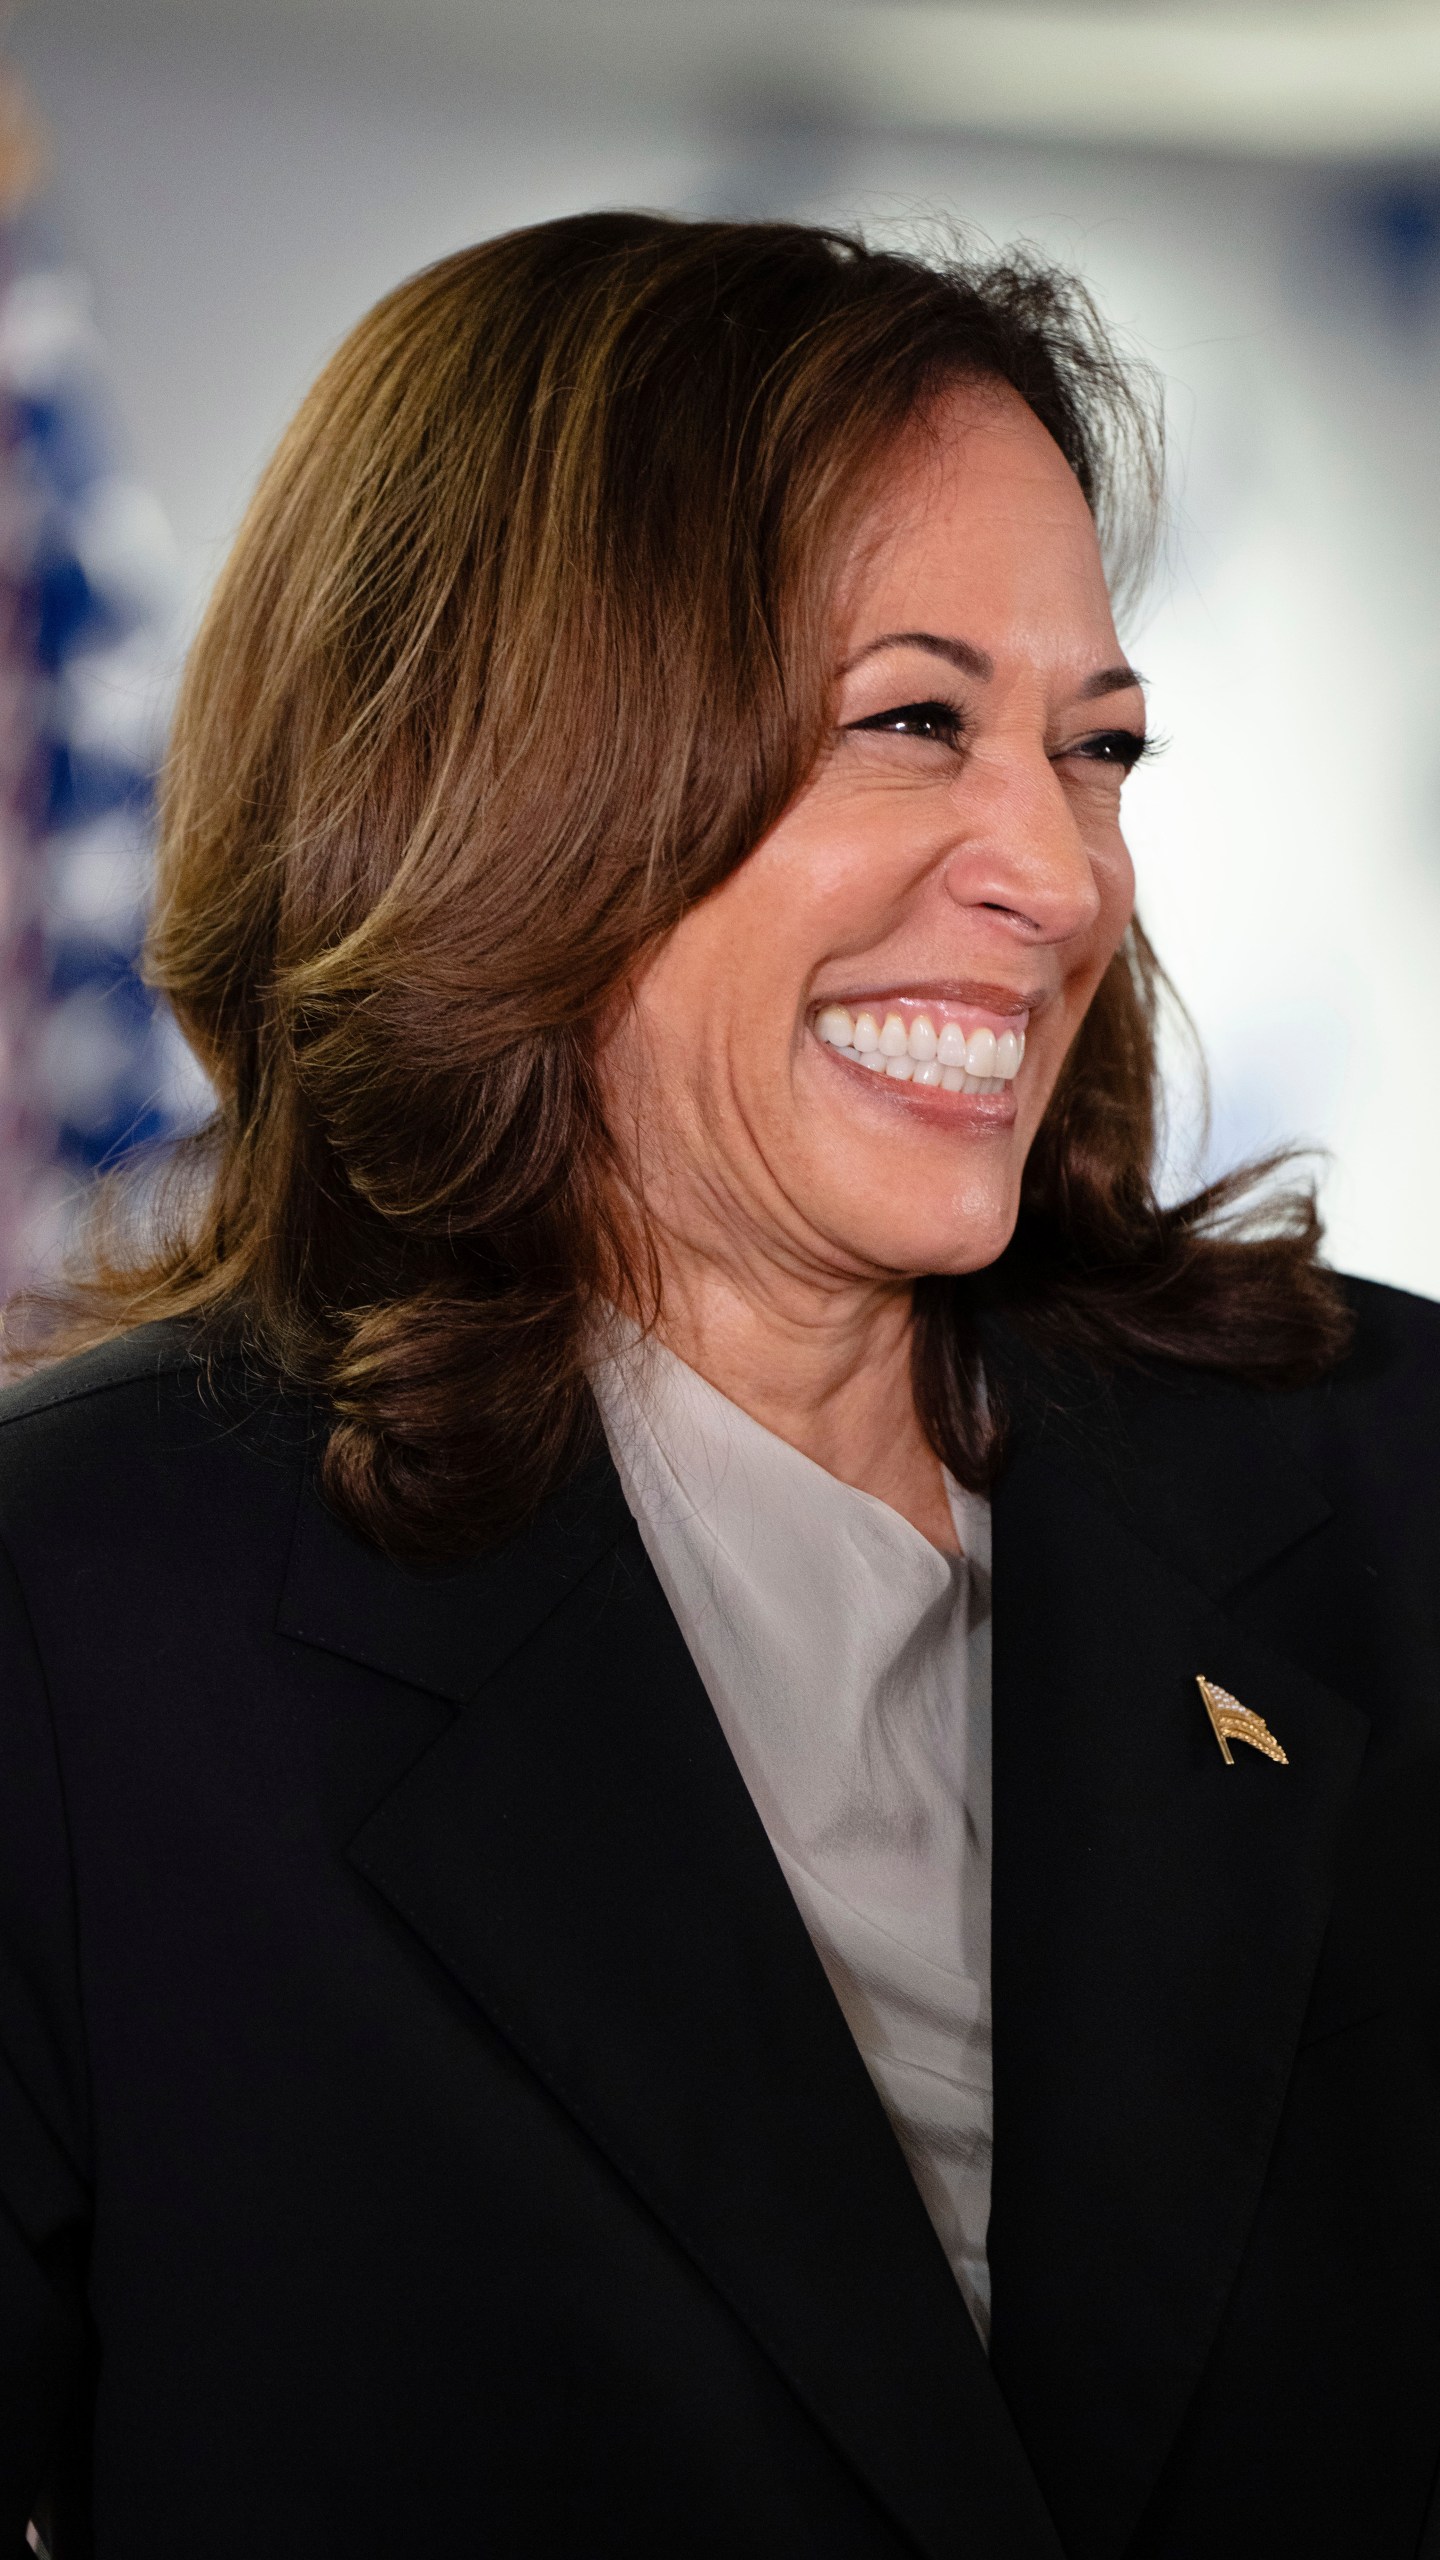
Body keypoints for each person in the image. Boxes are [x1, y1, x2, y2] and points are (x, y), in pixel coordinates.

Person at [1, 211, 1436, 2560]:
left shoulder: (1391, 1474)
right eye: (914, 719)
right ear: (520, 765)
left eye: (1095, 748)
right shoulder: (76, 1622)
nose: (1059, 875)